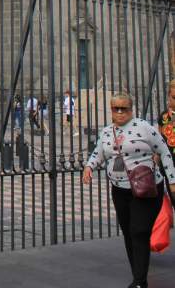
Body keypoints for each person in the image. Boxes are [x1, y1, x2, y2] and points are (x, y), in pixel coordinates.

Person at [83, 91, 175, 288]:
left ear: (131, 110)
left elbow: (164, 151)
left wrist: (173, 180)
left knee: (139, 230)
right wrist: (89, 167)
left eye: (123, 108)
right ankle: (138, 274)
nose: (119, 112)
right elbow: (98, 152)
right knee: (128, 232)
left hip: (147, 188)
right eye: (115, 108)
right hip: (120, 189)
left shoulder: (144, 127)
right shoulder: (107, 132)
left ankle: (140, 281)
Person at [158, 78, 175, 163]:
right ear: (169, 96)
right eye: (174, 97)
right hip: (167, 162)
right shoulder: (163, 116)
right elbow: (159, 141)